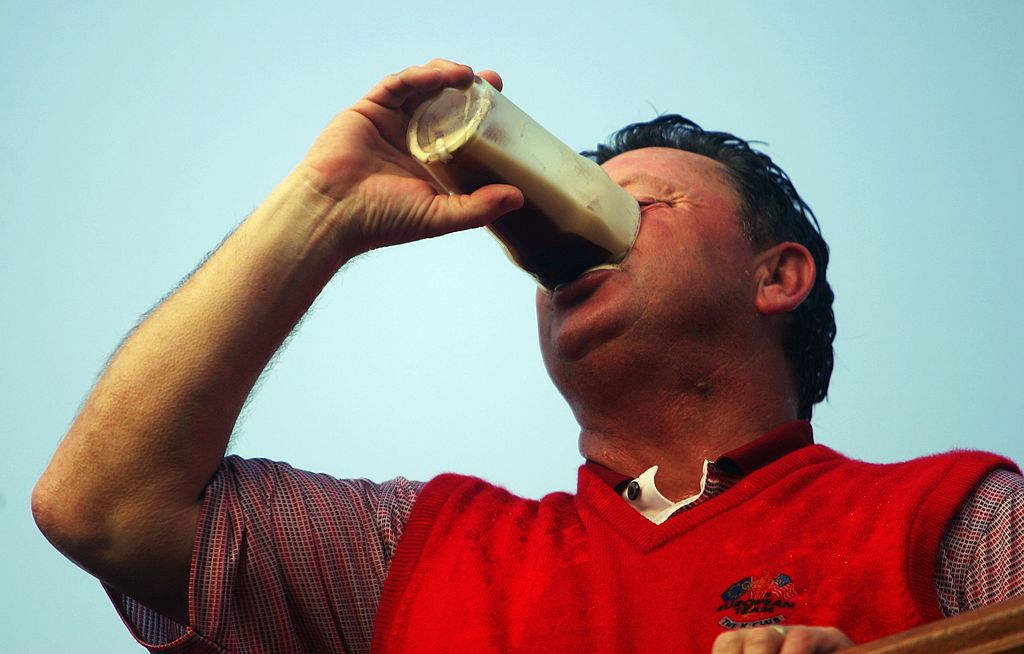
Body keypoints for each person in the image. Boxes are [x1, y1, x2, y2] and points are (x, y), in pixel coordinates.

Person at [32, 60, 1023, 654]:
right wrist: (321, 208)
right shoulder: (418, 556)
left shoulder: (954, 518)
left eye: (638, 204)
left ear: (778, 277)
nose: (565, 221)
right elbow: (103, 506)